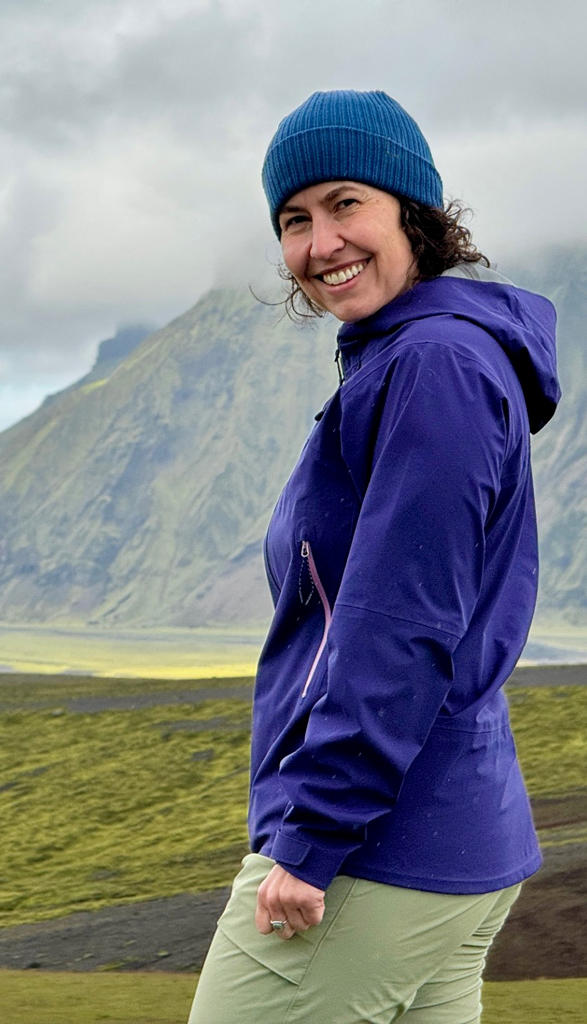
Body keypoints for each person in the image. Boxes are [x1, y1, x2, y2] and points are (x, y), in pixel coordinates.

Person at [187, 90, 561, 1024]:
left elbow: (400, 623)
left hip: (374, 852)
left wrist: (311, 838)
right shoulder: (422, 358)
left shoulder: (432, 366)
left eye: (346, 203)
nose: (321, 244)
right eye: (294, 220)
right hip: (448, 838)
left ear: (414, 212)